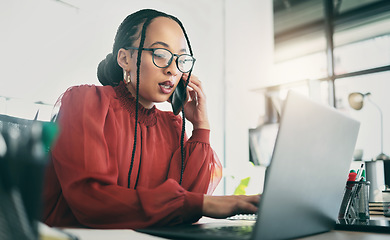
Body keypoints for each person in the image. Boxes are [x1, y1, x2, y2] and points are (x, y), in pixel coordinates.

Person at [42, 8, 259, 229]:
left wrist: (201, 127)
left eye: (180, 59)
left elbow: (189, 204)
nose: (172, 70)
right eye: (160, 55)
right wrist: (198, 203)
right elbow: (90, 199)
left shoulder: (173, 125)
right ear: (125, 59)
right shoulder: (86, 102)